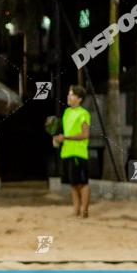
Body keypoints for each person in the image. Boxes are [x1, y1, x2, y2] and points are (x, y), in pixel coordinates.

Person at [53, 85, 91, 218]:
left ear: (79, 99)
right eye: (68, 94)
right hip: (67, 152)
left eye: (72, 95)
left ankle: (85, 212)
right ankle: (76, 211)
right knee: (73, 183)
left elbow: (85, 135)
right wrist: (58, 139)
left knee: (83, 183)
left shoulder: (83, 113)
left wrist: (66, 137)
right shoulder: (67, 112)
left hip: (79, 153)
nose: (69, 97)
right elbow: (65, 133)